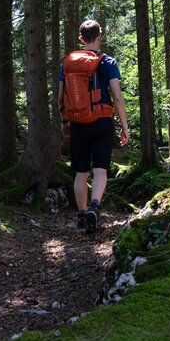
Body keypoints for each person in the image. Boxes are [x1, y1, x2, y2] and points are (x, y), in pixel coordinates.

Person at [58, 20, 129, 234]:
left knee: (81, 173)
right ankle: (95, 206)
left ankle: (81, 217)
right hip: (102, 122)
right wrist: (125, 126)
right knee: (100, 170)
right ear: (100, 37)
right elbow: (117, 97)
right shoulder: (108, 62)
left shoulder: (68, 63)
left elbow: (61, 97)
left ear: (81, 39)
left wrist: (64, 122)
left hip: (78, 123)